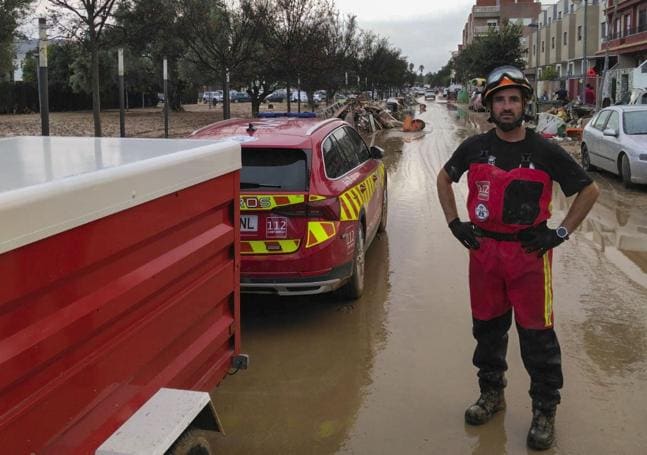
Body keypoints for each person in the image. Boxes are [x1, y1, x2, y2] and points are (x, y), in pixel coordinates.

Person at [436, 65, 599, 451]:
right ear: (489, 106)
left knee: (537, 339)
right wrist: (454, 223)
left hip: (529, 256)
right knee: (487, 332)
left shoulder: (545, 150)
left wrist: (560, 232)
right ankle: (491, 394)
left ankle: (544, 410)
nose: (506, 107)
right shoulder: (474, 148)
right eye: (499, 100)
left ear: (525, 104)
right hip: (483, 255)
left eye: (513, 99)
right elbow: (444, 179)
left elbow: (589, 191)